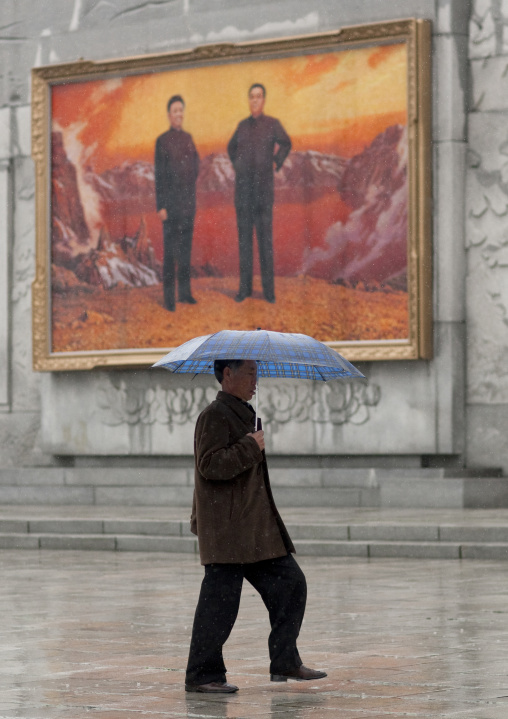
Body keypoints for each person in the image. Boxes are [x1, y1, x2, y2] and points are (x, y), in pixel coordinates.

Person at [185, 358, 327, 693]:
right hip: (227, 528)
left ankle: (285, 660)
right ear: (228, 375)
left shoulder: (244, 413)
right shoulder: (214, 415)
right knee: (219, 607)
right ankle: (203, 676)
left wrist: (251, 441)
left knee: (291, 584)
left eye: (256, 373)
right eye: (249, 373)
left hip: (255, 529)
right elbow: (210, 465)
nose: (255, 381)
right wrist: (251, 446)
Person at [227, 84, 291, 304]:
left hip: (263, 194)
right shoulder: (242, 126)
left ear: (264, 100)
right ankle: (244, 290)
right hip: (243, 195)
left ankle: (268, 292)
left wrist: (276, 162)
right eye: (252, 97)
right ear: (249, 100)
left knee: (265, 243)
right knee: (244, 243)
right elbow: (230, 148)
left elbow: (286, 143)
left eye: (259, 97)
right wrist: (239, 166)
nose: (255, 101)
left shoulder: (273, 125)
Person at [154, 95, 199, 311]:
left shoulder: (189, 138)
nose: (179, 114)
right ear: (169, 115)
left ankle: (185, 293)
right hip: (170, 208)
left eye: (181, 110)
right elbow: (159, 176)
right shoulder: (162, 141)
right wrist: (161, 206)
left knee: (185, 252)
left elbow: (196, 166)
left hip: (188, 205)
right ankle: (169, 299)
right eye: (175, 111)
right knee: (170, 253)